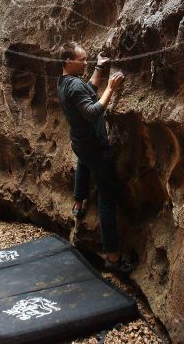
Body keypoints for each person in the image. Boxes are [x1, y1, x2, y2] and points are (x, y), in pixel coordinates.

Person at [57, 42, 133, 273]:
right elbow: (91, 112)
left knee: (83, 163)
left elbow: (86, 90)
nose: (86, 62)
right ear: (68, 62)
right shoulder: (74, 87)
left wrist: (99, 69)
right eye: (82, 60)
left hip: (81, 143)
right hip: (96, 148)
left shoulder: (64, 82)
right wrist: (110, 88)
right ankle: (112, 257)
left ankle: (79, 202)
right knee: (107, 200)